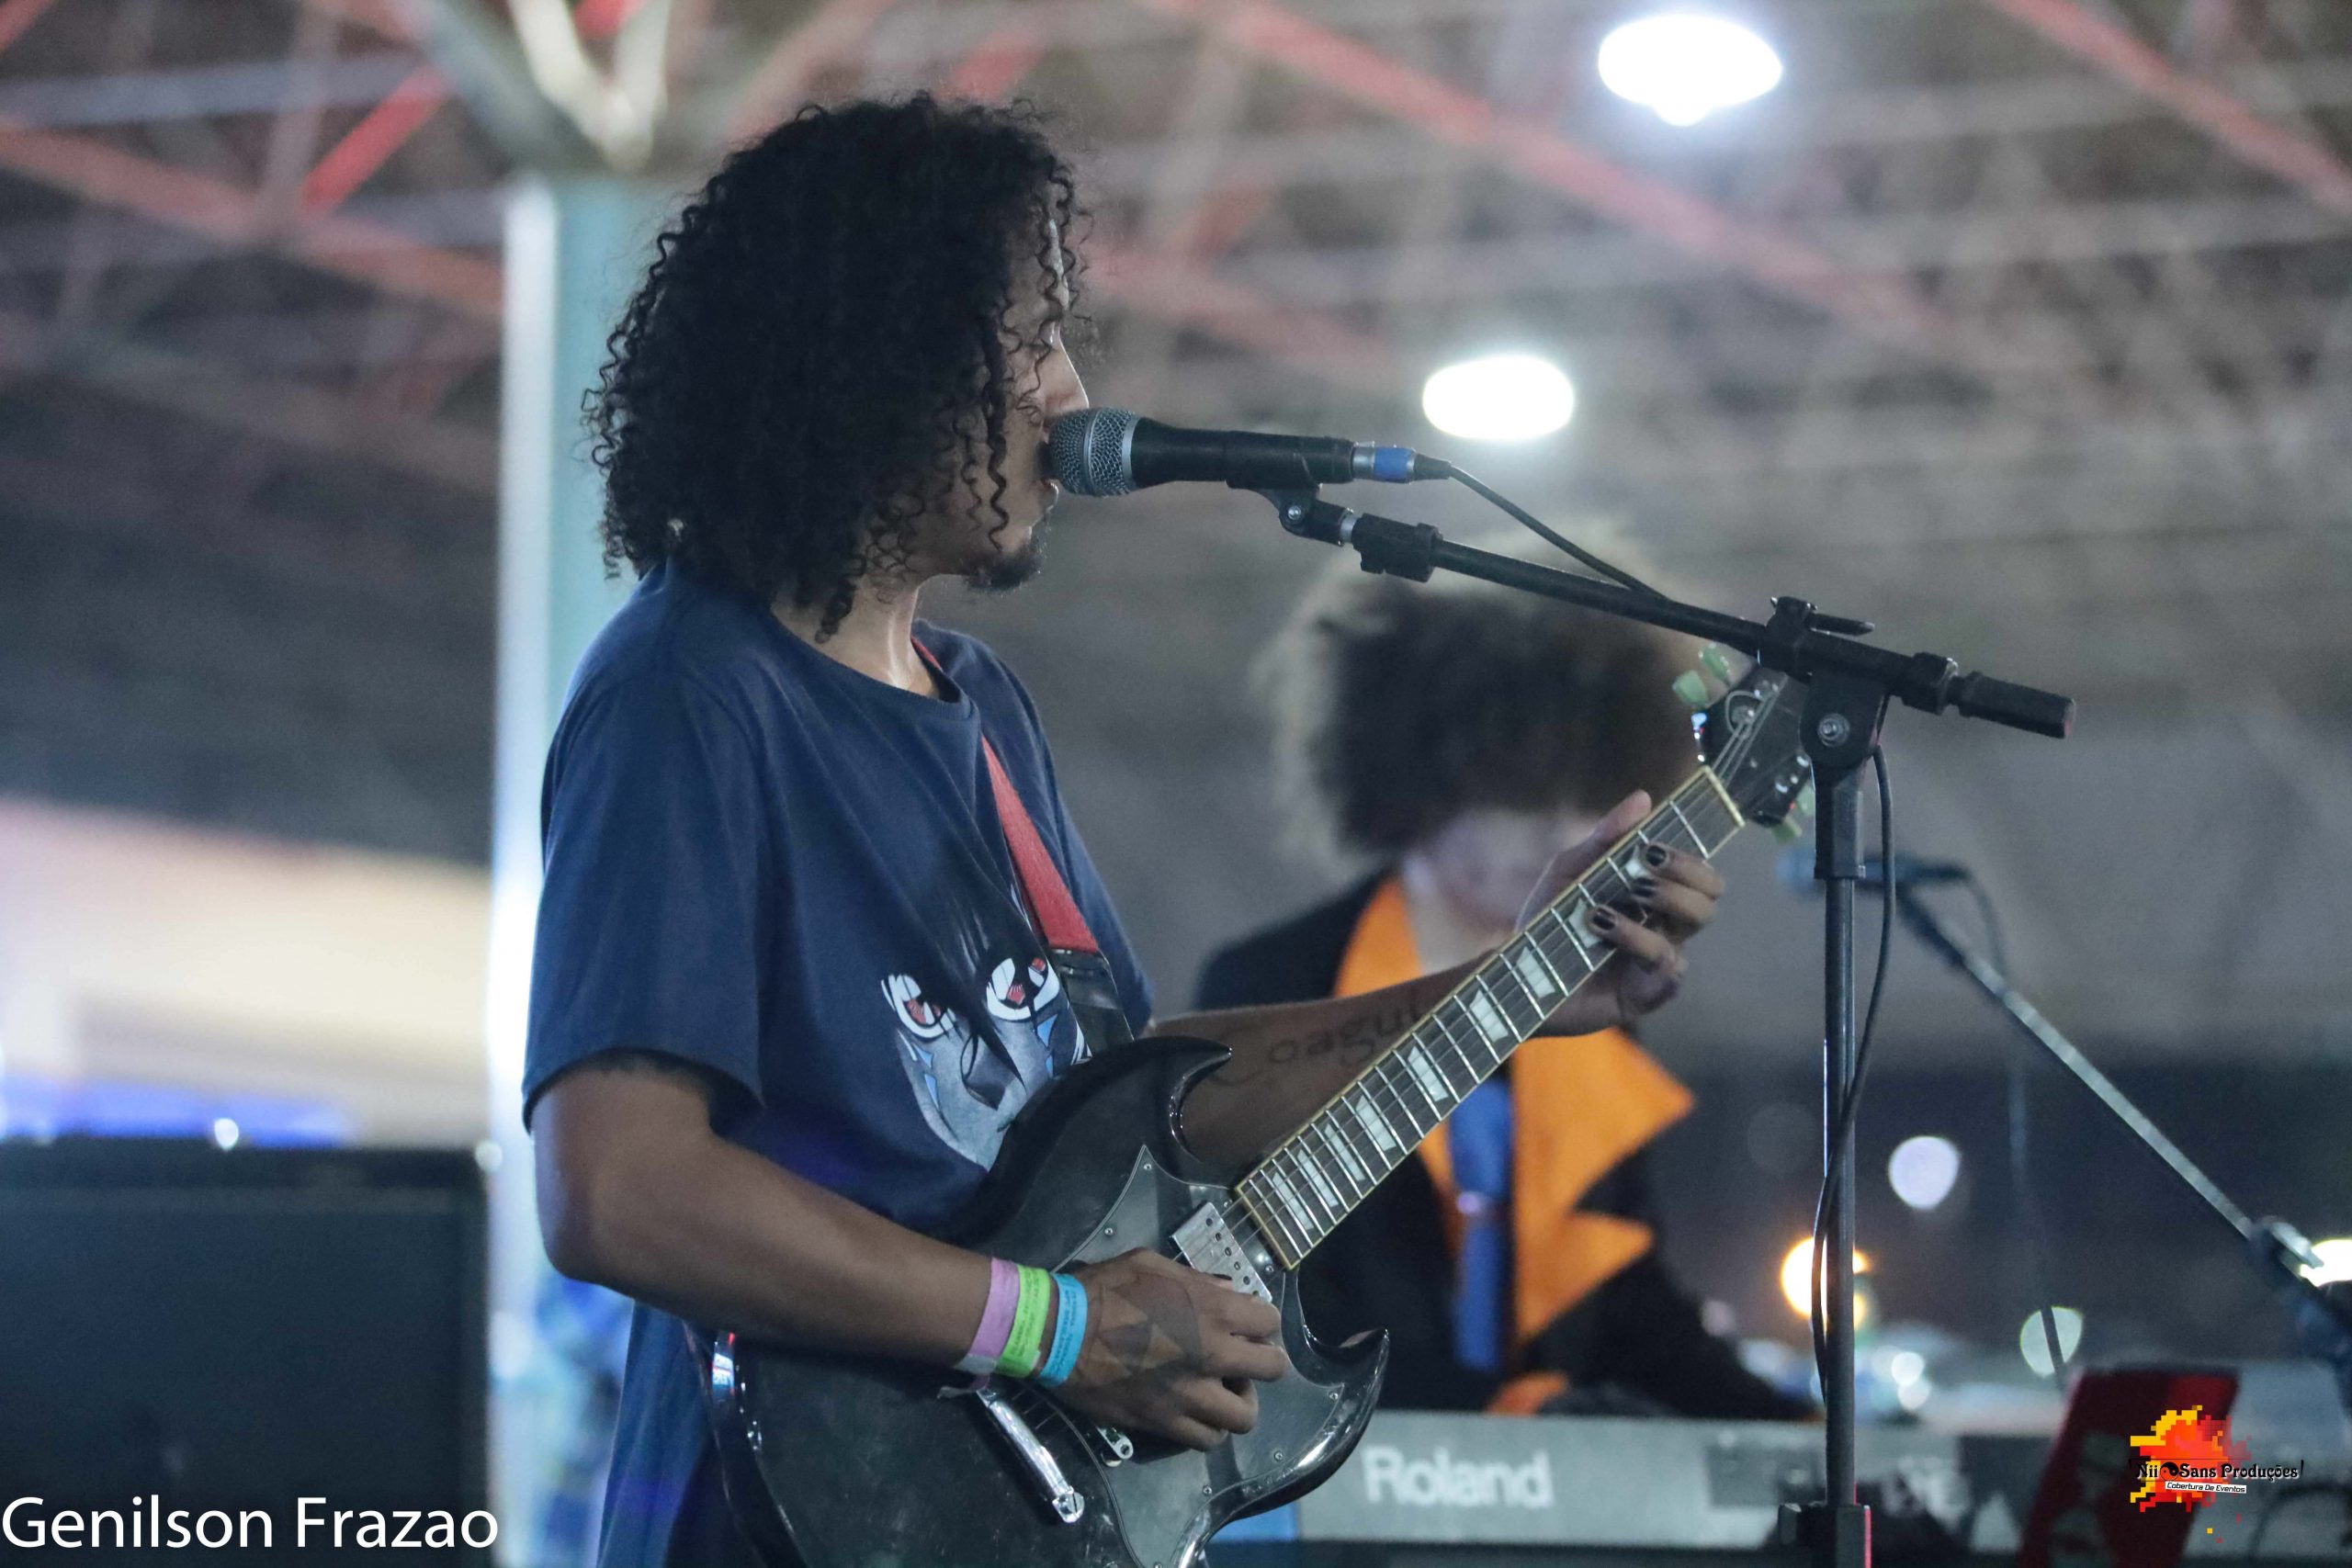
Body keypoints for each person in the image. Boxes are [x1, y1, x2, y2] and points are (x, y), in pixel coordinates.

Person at [522, 96, 1725, 1567]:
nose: (1071, 392)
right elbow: (621, 1188)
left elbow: (1135, 1101)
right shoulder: (689, 690)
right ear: (881, 362)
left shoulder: (982, 708)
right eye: (1031, 340)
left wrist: (1515, 985)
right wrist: (1058, 1326)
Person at [1197, 549, 1811, 1421]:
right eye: (1520, 797)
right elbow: (1257, 1295)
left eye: (1590, 795)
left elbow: (1624, 1303)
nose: (1560, 831)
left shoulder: (1592, 1003)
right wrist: (1511, 1410)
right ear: (1418, 786)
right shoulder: (1276, 981)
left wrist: (1804, 1433)